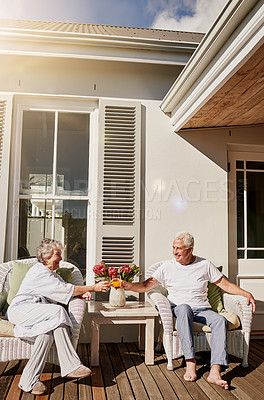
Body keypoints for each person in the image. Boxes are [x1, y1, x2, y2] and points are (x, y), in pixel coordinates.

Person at [122, 232, 256, 390]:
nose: (174, 251)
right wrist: (128, 285)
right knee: (184, 309)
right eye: (173, 247)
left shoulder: (204, 264)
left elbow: (225, 285)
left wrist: (246, 293)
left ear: (190, 249)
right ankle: (190, 362)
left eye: (179, 248)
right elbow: (145, 286)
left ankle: (215, 370)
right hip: (180, 308)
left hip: (203, 309)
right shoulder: (167, 267)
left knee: (220, 320)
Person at [7, 238, 110, 395]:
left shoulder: (52, 274)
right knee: (57, 311)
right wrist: (94, 287)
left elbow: (66, 289)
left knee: (46, 335)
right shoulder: (39, 271)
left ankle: (28, 380)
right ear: (45, 256)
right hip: (21, 310)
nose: (61, 259)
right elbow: (62, 290)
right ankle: (70, 364)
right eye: (57, 254)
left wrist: (81, 294)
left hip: (38, 315)